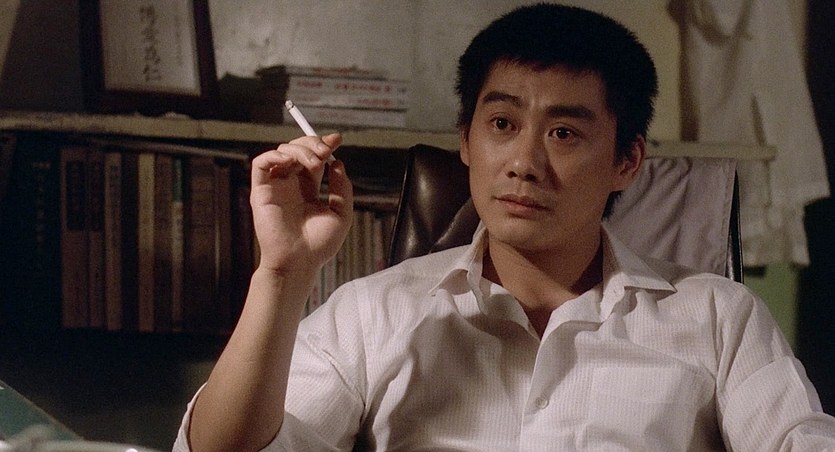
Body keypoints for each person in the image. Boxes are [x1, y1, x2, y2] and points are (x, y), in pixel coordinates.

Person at [176, 4, 835, 451]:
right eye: (501, 124)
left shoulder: (717, 317)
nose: (523, 162)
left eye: (564, 133)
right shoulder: (374, 314)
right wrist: (282, 272)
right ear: (465, 141)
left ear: (626, 161)